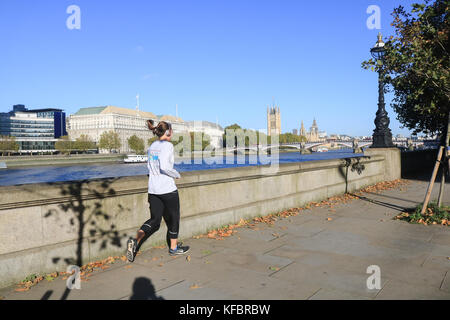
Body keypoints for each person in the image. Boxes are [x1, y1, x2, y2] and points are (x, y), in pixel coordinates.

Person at [126, 120, 189, 262]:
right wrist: (176, 175)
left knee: (154, 220)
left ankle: (135, 240)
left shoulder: (152, 146)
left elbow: (150, 166)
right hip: (167, 188)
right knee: (174, 218)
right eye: (171, 131)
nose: (172, 133)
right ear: (168, 132)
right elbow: (165, 167)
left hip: (153, 189)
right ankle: (173, 248)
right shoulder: (168, 146)